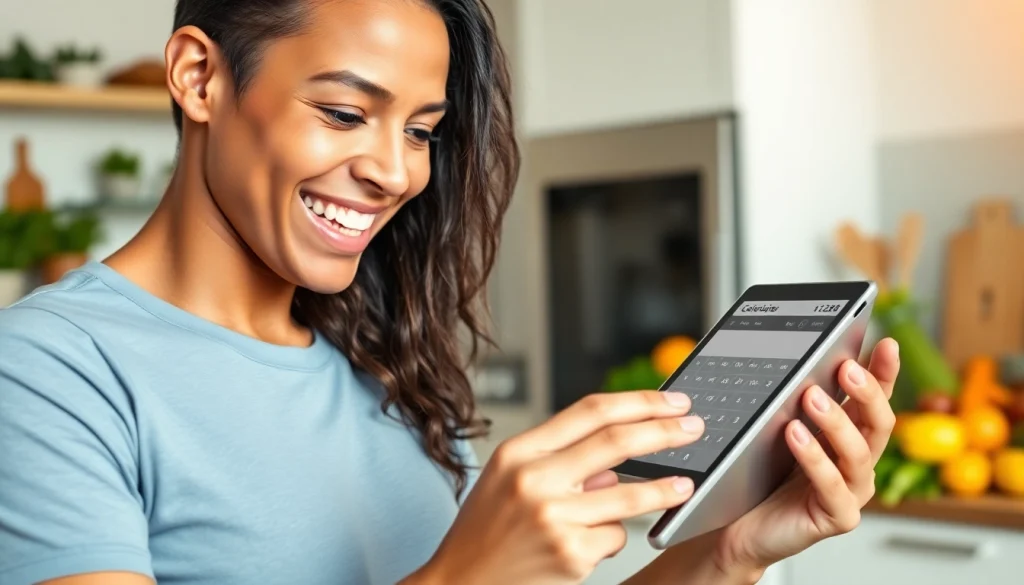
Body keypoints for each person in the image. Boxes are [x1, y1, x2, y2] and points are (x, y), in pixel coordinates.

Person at [0, 1, 899, 584]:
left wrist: (733, 552)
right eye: (345, 113)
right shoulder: (47, 373)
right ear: (200, 78)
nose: (395, 171)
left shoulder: (384, 363)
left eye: (422, 130)